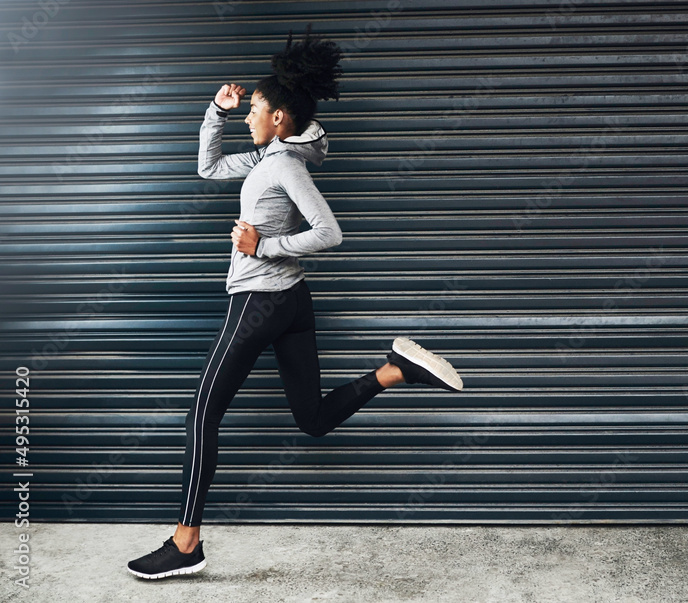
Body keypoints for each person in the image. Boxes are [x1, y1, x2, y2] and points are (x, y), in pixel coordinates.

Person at [127, 25, 463, 580]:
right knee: (310, 418)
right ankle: (394, 371)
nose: (250, 114)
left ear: (279, 117)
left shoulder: (281, 164)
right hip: (291, 303)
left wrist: (265, 245)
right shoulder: (270, 159)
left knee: (201, 412)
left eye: (255, 108)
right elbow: (208, 168)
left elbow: (330, 232)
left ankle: (186, 543)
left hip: (259, 299)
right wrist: (218, 110)